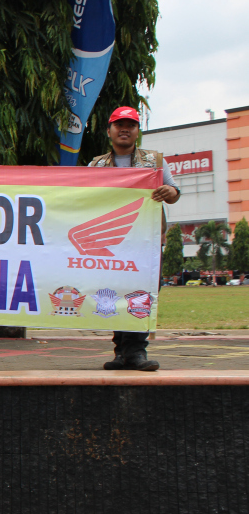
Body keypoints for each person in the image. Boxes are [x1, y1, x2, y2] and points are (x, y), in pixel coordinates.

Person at [88, 106, 180, 371]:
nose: (125, 130)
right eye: (119, 125)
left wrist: (169, 191)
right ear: (109, 131)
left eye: (130, 125)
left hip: (146, 242)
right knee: (113, 293)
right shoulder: (95, 165)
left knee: (142, 295)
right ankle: (122, 352)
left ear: (138, 131)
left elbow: (175, 193)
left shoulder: (155, 161)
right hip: (109, 243)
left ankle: (136, 351)